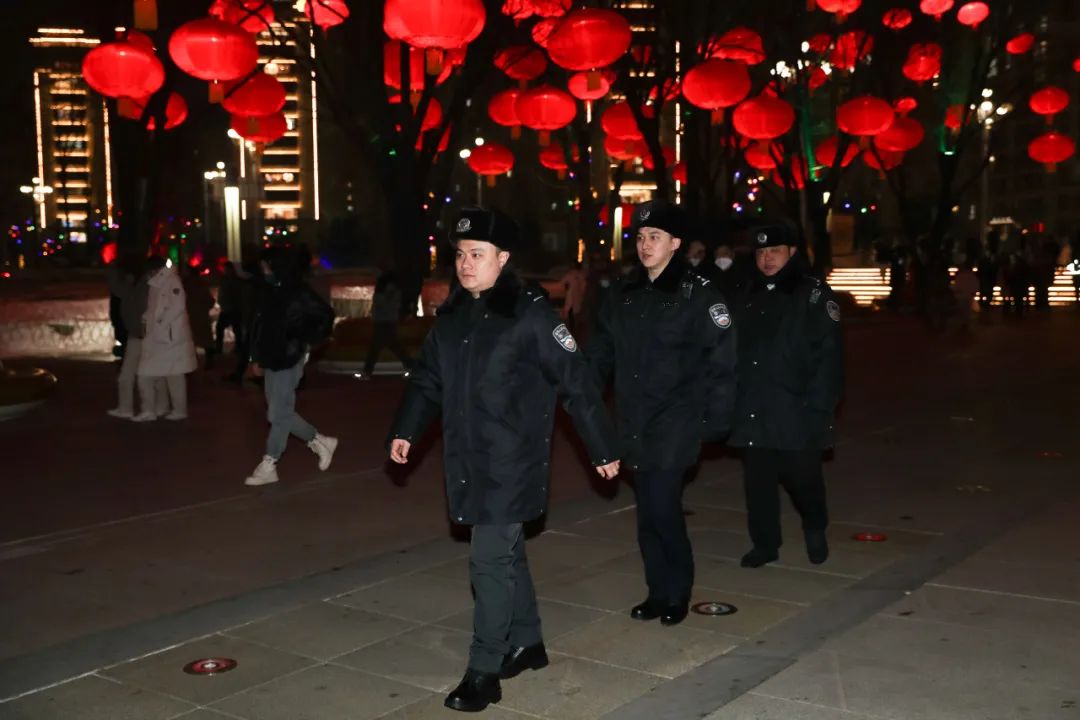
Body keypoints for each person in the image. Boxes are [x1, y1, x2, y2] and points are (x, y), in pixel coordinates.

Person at [388, 207, 620, 713]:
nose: (466, 264)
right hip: (467, 456)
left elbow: (576, 382)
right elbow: (428, 379)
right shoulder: (453, 316)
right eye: (460, 255)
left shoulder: (531, 315)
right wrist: (406, 429)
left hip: (513, 460)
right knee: (505, 553)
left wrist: (602, 447)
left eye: (477, 254)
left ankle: (484, 670)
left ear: (503, 258)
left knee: (488, 561)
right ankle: (528, 641)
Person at [587, 199, 737, 627]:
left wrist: (716, 421)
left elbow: (722, 362)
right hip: (634, 417)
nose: (645, 244)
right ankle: (656, 592)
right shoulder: (623, 293)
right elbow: (602, 352)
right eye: (640, 237)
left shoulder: (698, 295)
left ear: (675, 243)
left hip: (677, 418)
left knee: (662, 505)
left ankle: (677, 591)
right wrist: (585, 397)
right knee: (647, 511)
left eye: (655, 236)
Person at [728, 221, 843, 569]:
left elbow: (829, 358)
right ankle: (765, 543)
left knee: (802, 477)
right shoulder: (746, 292)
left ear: (792, 253)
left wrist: (820, 408)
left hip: (795, 407)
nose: (767, 259)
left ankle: (814, 525)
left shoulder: (813, 295)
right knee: (758, 482)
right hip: (753, 404)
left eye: (774, 251)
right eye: (761, 252)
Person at [244, 246, 338, 487]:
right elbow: (259, 327)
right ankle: (320, 441)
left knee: (277, 414)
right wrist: (256, 358)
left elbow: (325, 316)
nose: (264, 271)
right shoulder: (268, 291)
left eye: (267, 267)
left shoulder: (298, 291)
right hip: (271, 358)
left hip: (289, 358)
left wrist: (302, 340)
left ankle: (270, 462)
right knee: (280, 412)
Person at [135, 257, 197, 421]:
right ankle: (163, 408)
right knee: (168, 374)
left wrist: (159, 323)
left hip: (168, 337)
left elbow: (177, 306)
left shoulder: (170, 281)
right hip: (162, 336)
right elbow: (154, 307)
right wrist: (148, 319)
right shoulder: (159, 282)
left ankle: (157, 410)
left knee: (163, 374)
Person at [106, 255, 149, 419]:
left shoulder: (141, 288)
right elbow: (116, 288)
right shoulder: (132, 289)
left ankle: (149, 409)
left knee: (145, 376)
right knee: (128, 376)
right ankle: (127, 408)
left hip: (142, 336)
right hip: (135, 335)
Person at [359, 270, 413, 379]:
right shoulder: (393, 293)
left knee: (377, 348)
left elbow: (382, 306)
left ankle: (367, 372)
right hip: (386, 322)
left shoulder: (388, 293)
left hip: (384, 322)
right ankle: (413, 368)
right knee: (394, 347)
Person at [182, 265, 216, 369]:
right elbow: (210, 301)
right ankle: (209, 362)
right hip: (201, 316)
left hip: (190, 316)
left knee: (191, 341)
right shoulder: (201, 284)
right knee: (205, 340)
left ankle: (191, 364)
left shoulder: (185, 285)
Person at [215, 261, 244, 361]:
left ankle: (237, 348)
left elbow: (237, 295)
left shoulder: (233, 281)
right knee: (226, 329)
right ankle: (222, 348)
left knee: (235, 329)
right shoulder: (226, 281)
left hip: (233, 309)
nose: (225, 271)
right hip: (229, 309)